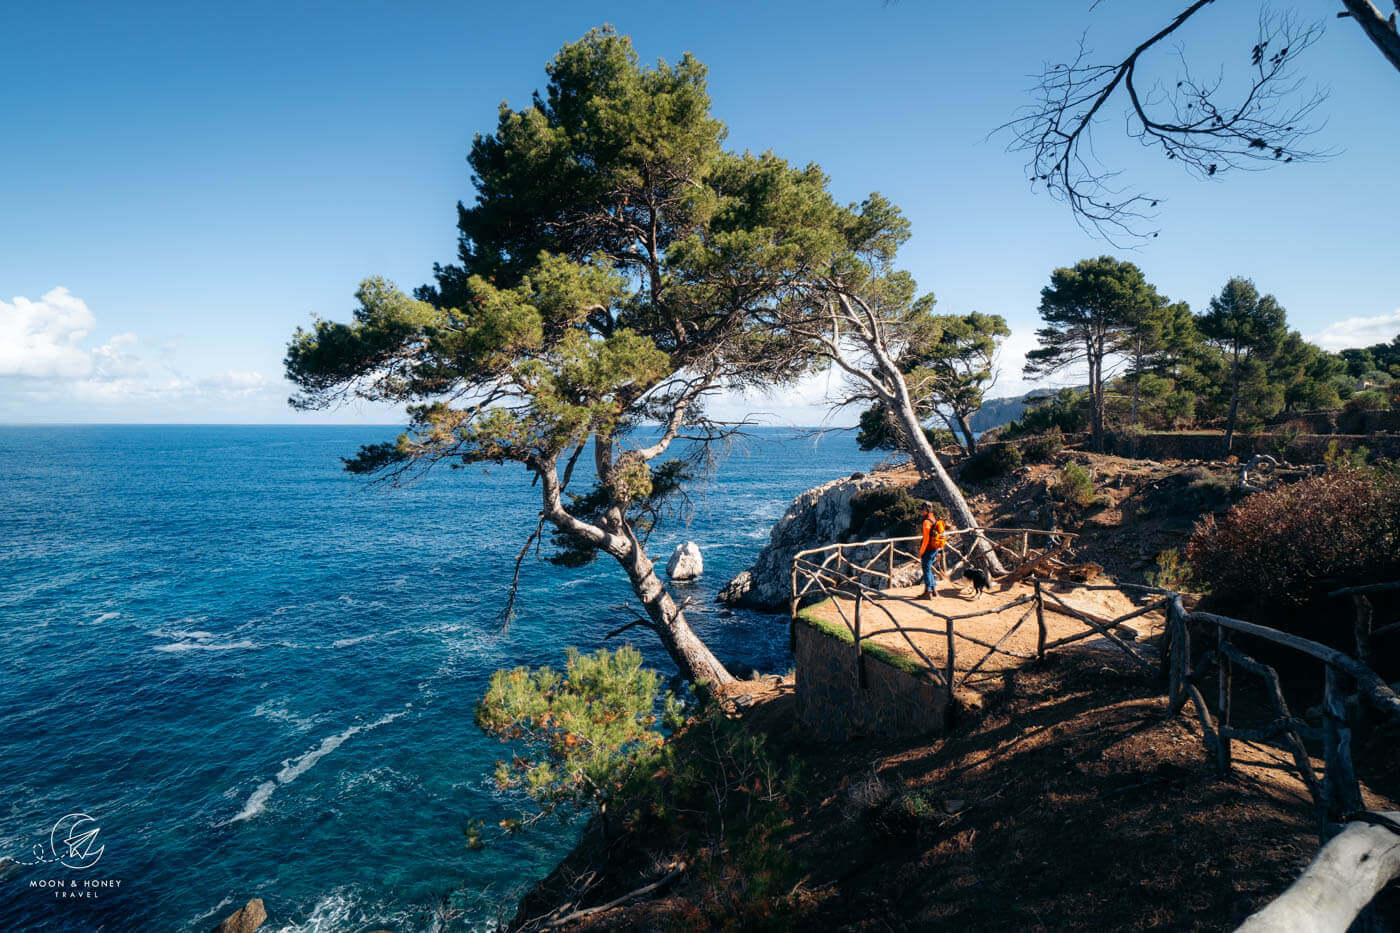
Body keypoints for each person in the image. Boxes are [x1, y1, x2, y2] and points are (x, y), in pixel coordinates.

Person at [918, 502, 947, 600]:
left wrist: (921, 551)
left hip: (928, 549)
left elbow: (926, 539)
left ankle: (928, 592)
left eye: (922, 510)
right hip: (934, 548)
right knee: (928, 569)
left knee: (926, 570)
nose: (920, 511)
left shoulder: (926, 522)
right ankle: (933, 590)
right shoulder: (934, 519)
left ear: (927, 510)